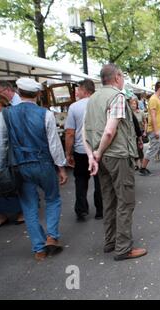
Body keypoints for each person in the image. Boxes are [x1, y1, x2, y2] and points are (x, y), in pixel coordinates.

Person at [83, 64, 147, 261]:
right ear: (118, 76)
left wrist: (92, 156)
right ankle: (123, 248)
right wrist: (99, 152)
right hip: (117, 155)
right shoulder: (117, 96)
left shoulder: (92, 98)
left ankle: (110, 241)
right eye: (123, 76)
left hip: (99, 156)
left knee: (108, 200)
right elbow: (110, 130)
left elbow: (85, 131)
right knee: (125, 201)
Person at [6, 78, 67, 261]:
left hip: (19, 165)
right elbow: (54, 144)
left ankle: (39, 249)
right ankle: (52, 236)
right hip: (43, 163)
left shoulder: (6, 114)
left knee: (29, 206)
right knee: (52, 198)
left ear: (18, 91)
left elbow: (2, 143)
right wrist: (61, 167)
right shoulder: (45, 114)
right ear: (38, 94)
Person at [65, 80, 103, 222]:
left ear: (84, 90)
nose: (77, 92)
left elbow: (70, 132)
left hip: (81, 150)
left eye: (78, 90)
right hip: (98, 149)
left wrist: (68, 153)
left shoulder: (74, 107)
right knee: (100, 181)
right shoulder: (100, 104)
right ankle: (100, 209)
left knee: (81, 180)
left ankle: (81, 209)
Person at [0, 81, 24, 225]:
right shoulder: (7, 114)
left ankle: (20, 212)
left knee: (13, 184)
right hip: (11, 156)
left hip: (10, 157)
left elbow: (2, 141)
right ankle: (9, 213)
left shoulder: (4, 115)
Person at [129, 95, 146, 170]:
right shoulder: (128, 114)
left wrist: (145, 131)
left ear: (137, 105)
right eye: (132, 104)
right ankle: (136, 165)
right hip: (131, 134)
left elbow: (145, 122)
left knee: (140, 149)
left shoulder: (141, 112)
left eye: (134, 103)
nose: (133, 105)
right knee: (134, 149)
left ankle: (142, 164)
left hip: (140, 132)